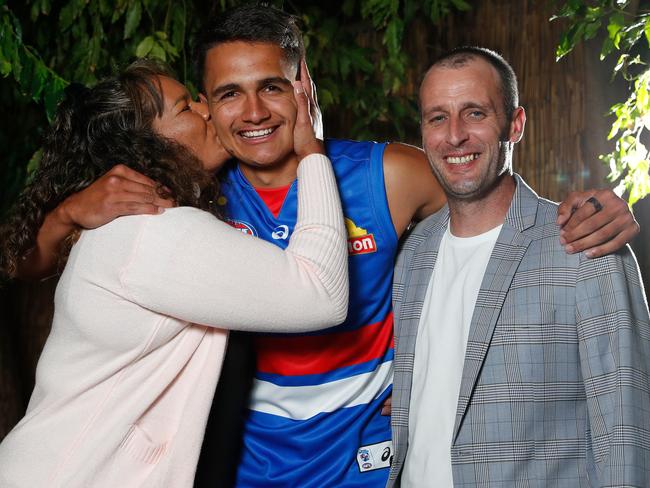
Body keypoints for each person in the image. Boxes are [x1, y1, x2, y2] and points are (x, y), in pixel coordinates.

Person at [16, 5, 641, 487]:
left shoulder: (387, 175)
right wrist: (64, 215)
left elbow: (483, 187)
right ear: (205, 108)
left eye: (272, 86)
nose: (252, 111)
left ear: (303, 86)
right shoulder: (185, 201)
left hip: (361, 465)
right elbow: (31, 265)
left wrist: (592, 208)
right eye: (228, 94)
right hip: (235, 463)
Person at [0, 59, 349, 487]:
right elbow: (321, 294)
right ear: (145, 145)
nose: (207, 109)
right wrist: (311, 154)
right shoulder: (151, 229)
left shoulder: (149, 223)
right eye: (186, 108)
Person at [388, 46, 650, 487]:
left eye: (474, 114)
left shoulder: (583, 243)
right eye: (438, 117)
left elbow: (627, 429)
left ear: (515, 124)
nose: (454, 136)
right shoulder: (413, 252)